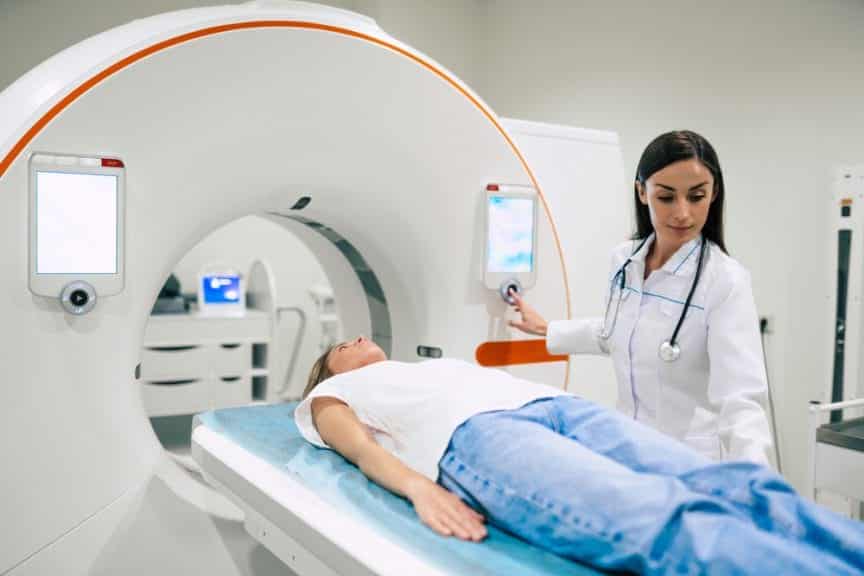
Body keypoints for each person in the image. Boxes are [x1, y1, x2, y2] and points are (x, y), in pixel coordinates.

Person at [295, 336, 864, 576]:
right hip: (480, 438)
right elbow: (362, 450)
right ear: (326, 373)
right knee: (666, 518)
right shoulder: (329, 398)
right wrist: (420, 488)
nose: (353, 339)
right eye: (339, 346)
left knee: (738, 485)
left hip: (556, 405)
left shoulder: (424, 366)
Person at [510, 130, 772, 465]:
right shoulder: (624, 261)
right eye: (666, 197)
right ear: (642, 192)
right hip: (628, 450)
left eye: (696, 196)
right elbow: (618, 332)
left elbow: (741, 399)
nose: (683, 213)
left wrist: (756, 479)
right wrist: (550, 329)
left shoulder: (724, 280)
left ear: (714, 193)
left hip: (691, 463)